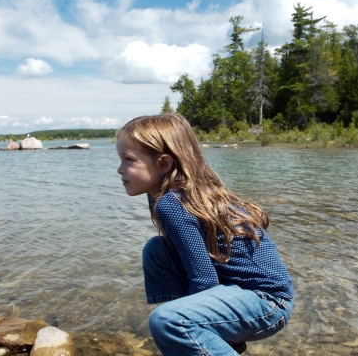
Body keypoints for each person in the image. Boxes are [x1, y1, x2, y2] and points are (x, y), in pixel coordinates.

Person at [116, 114, 294, 355]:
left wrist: (186, 320)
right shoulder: (167, 194)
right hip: (246, 292)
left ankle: (201, 331)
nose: (120, 169)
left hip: (268, 301)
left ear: (163, 164)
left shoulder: (173, 203)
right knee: (157, 252)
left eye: (128, 160)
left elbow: (204, 280)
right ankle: (219, 341)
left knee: (168, 322)